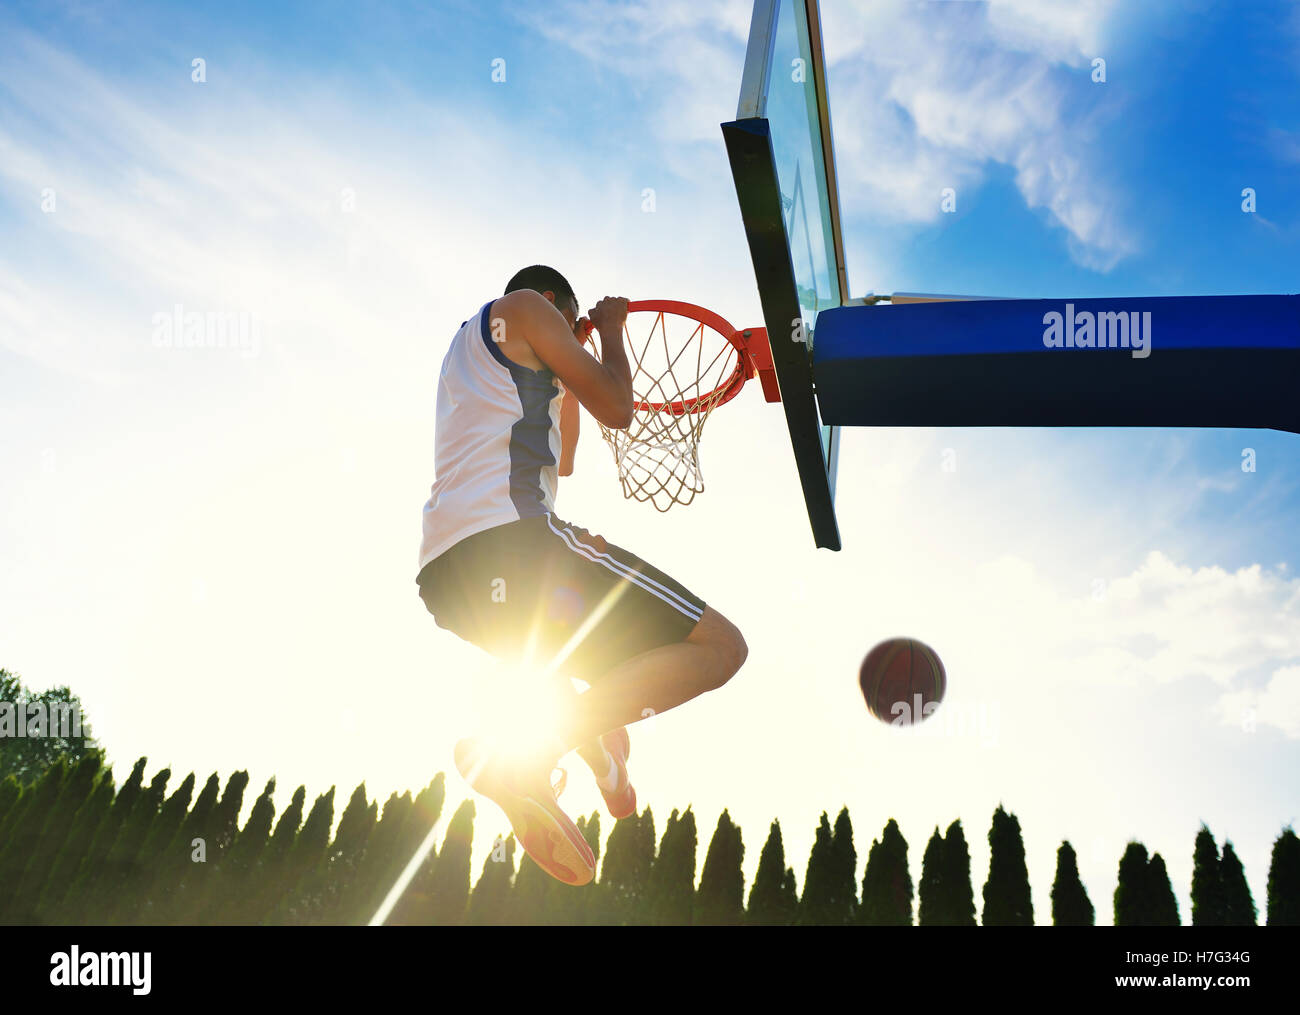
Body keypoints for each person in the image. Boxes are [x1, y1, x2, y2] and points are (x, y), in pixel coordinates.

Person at [416, 265, 747, 886]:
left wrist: (570, 365)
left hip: (444, 578)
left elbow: (563, 459)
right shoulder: (526, 307)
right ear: (552, 305)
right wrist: (614, 334)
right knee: (720, 648)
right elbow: (619, 410)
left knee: (599, 671)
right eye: (569, 326)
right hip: (513, 544)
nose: (570, 335)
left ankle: (605, 759)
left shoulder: (468, 349)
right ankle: (530, 758)